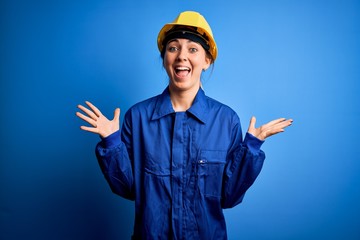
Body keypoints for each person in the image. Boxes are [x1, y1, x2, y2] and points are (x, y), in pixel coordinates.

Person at [76, 11, 293, 240]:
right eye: (173, 48)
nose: (181, 56)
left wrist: (250, 148)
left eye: (192, 49)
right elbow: (127, 189)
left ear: (207, 61)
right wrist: (112, 143)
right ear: (164, 59)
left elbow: (228, 198)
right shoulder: (137, 118)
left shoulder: (226, 120)